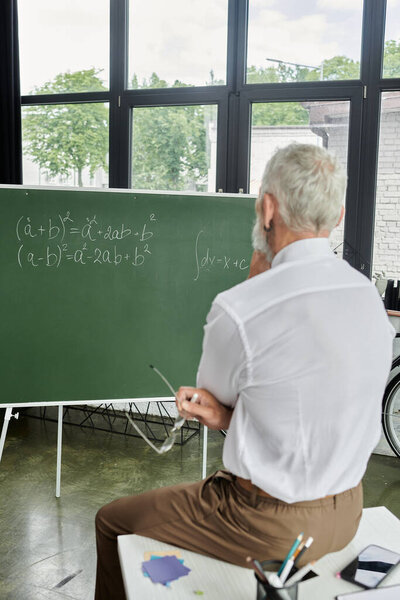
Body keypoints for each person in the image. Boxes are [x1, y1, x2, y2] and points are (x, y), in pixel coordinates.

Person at [94, 143, 395, 600]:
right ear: (338, 215)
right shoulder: (369, 300)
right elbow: (294, 415)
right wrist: (226, 417)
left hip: (267, 525)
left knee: (112, 521)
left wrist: (256, 284)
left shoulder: (241, 307)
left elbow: (213, 395)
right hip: (347, 513)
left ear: (267, 208)